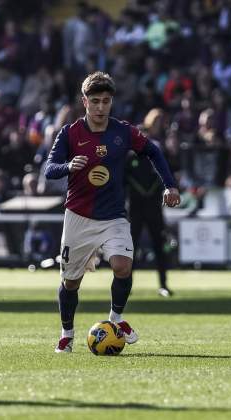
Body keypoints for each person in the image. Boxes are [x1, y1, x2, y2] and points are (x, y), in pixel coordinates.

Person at [44, 72, 180, 353]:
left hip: (114, 216)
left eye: (106, 101)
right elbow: (49, 170)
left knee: (122, 266)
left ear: (111, 102)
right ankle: (67, 334)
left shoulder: (123, 132)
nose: (100, 107)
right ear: (84, 102)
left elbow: (153, 151)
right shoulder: (70, 133)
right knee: (71, 282)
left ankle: (116, 320)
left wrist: (170, 185)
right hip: (78, 216)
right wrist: (68, 167)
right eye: (95, 101)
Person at [126, 109, 174, 298]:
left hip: (154, 204)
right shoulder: (131, 156)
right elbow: (124, 177)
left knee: (159, 244)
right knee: (132, 247)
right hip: (136, 205)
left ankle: (163, 283)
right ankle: (126, 284)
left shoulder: (160, 151)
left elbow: (168, 170)